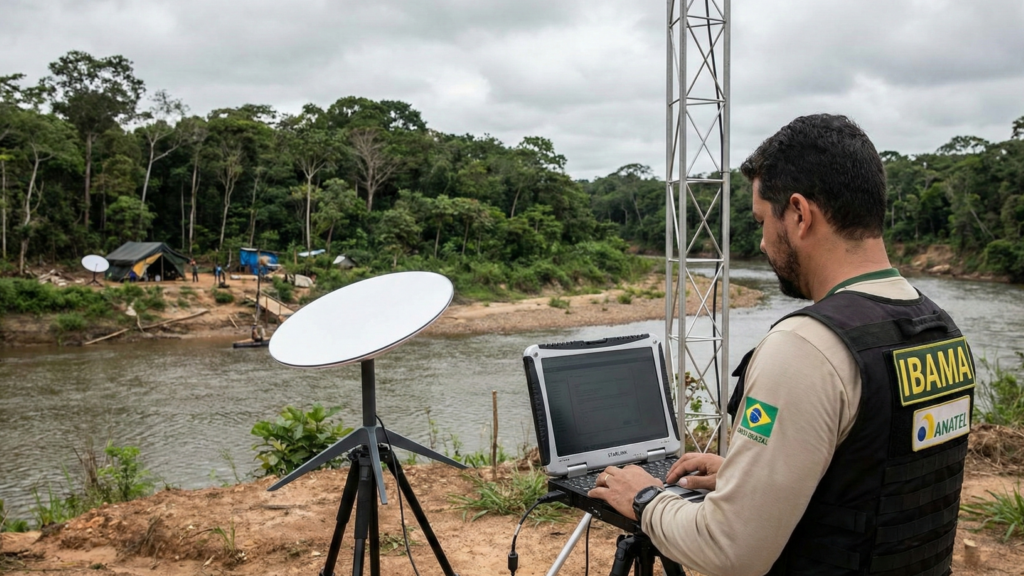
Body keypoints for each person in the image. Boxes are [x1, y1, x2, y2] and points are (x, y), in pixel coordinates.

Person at [589, 114, 975, 576]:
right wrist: (748, 478)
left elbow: (730, 550)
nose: (762, 240)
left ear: (798, 213)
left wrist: (644, 497)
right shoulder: (939, 330)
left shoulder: (806, 347)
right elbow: (873, 480)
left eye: (761, 221)